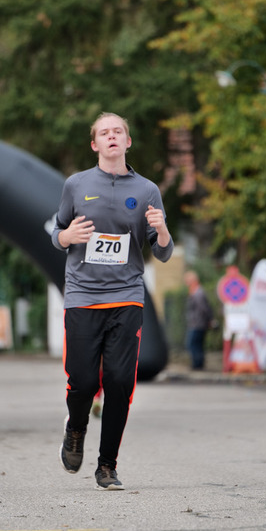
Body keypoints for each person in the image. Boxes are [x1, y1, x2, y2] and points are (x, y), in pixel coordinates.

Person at [52, 112, 174, 490]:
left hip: (126, 296)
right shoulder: (76, 185)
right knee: (84, 381)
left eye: (118, 131)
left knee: (120, 382)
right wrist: (68, 236)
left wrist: (162, 230)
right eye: (104, 133)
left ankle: (107, 465)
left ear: (127, 141)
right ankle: (75, 429)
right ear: (95, 144)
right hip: (83, 296)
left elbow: (163, 252)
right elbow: (57, 233)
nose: (112, 137)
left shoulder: (148, 190)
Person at [184, 270, 215, 370]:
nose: (186, 283)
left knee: (193, 344)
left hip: (198, 324)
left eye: (188, 281)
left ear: (193, 281)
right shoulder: (195, 292)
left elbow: (203, 308)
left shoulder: (198, 293)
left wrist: (209, 320)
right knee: (197, 344)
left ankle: (197, 365)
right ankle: (198, 364)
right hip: (197, 323)